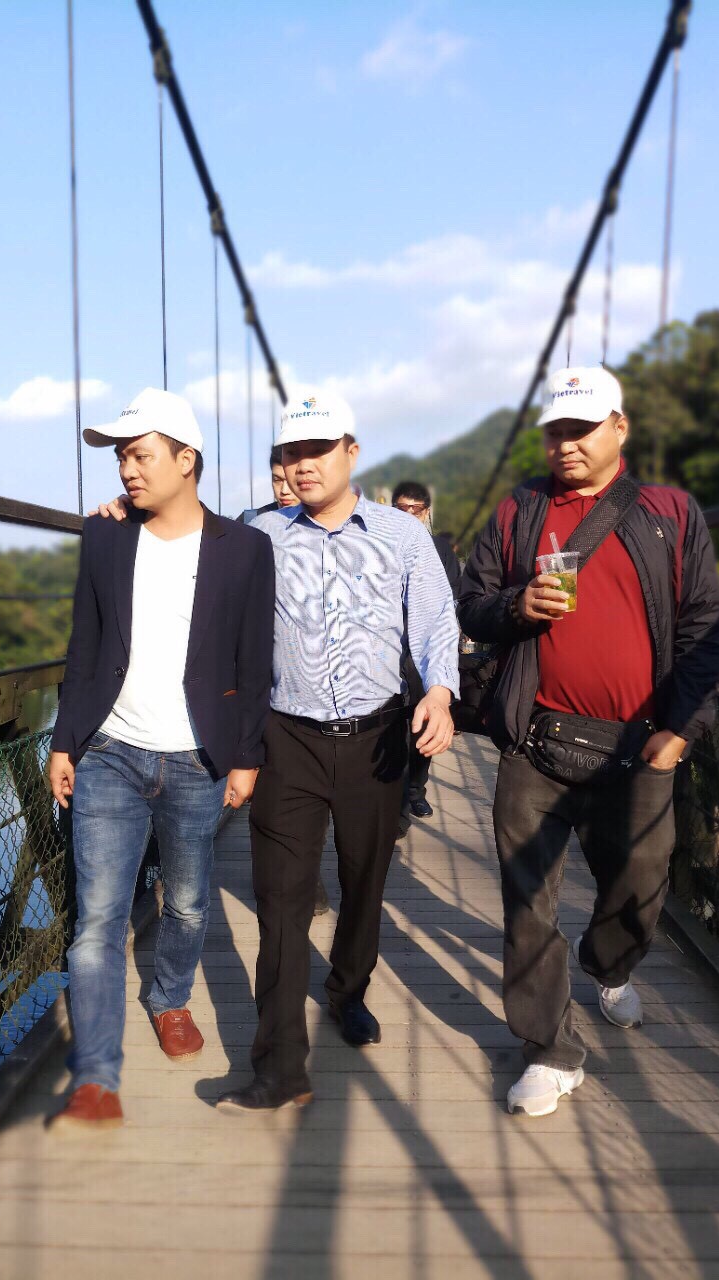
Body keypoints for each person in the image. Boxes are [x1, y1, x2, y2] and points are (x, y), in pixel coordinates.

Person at [458, 365, 719, 1119]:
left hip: (639, 746)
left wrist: (681, 732)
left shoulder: (671, 512)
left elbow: (704, 627)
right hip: (536, 739)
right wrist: (517, 607)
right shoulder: (519, 510)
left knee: (641, 880)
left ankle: (608, 965)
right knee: (527, 901)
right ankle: (549, 1051)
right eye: (556, 431)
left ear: (619, 428)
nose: (566, 444)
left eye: (582, 429)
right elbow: (471, 606)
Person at [216, 386, 460, 1113]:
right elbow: (189, 554)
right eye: (291, 451)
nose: (303, 463)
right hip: (286, 738)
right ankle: (279, 1066)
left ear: (352, 451)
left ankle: (349, 989)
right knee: (280, 900)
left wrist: (439, 691)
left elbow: (435, 618)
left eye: (319, 449)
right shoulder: (256, 532)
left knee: (364, 880)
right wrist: (124, 517)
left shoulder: (402, 534)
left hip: (376, 739)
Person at [46, 387, 275, 1131]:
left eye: (140, 455)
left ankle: (169, 997)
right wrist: (63, 738)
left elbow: (254, 659)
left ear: (186, 460)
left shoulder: (245, 549)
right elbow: (84, 644)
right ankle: (95, 1075)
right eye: (121, 457)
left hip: (197, 758)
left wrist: (247, 756)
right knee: (97, 920)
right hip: (109, 752)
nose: (126, 470)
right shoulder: (105, 535)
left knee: (187, 902)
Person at [240, 448, 332, 918]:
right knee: (279, 805)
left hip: (318, 689)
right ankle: (293, 887)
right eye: (276, 478)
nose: (284, 487)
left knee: (311, 802)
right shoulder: (254, 529)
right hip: (269, 693)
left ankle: (305, 881)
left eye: (288, 477)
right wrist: (133, 511)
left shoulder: (331, 529)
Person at [392, 480, 460, 826]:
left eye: (415, 509)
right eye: (401, 509)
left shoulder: (440, 550)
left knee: (423, 726)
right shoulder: (382, 546)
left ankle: (416, 791)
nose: (409, 515)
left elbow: (450, 602)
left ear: (426, 512)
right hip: (390, 653)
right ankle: (397, 806)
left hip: (424, 656)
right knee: (394, 730)